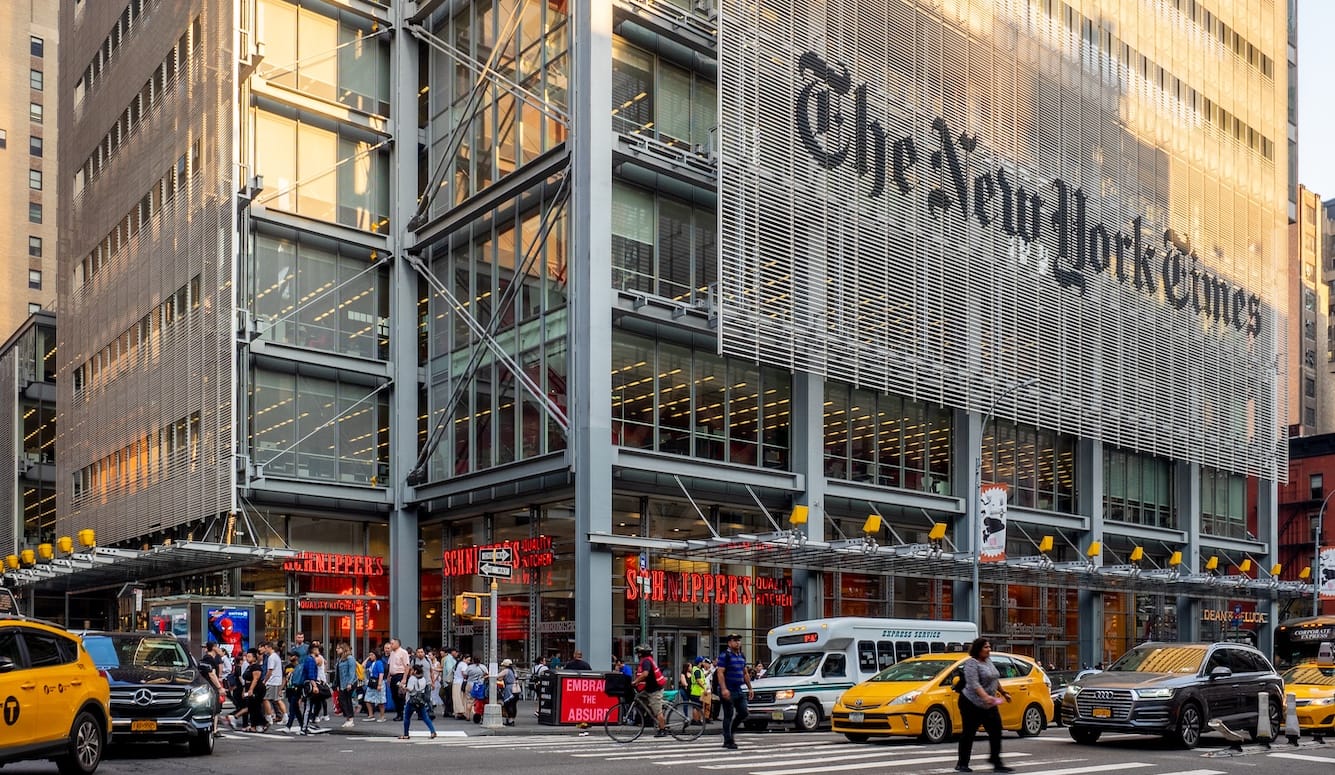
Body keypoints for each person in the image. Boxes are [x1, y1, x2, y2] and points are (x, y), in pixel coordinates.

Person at [955, 637, 1013, 774]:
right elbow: (974, 684)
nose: (989, 650)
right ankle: (962, 763)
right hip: (970, 703)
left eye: (989, 647)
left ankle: (996, 761)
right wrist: (985, 697)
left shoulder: (988, 661)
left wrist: (1004, 693)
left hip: (989, 704)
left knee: (996, 731)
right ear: (978, 649)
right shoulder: (971, 663)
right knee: (968, 733)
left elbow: (994, 678)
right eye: (986, 647)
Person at [716, 633, 752, 750]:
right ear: (729, 643)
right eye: (735, 640)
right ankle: (728, 740)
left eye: (739, 640)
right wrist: (724, 688)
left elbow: (745, 672)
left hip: (738, 689)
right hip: (728, 689)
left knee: (744, 712)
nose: (737, 642)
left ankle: (731, 731)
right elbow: (720, 673)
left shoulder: (741, 656)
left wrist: (750, 687)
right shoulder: (725, 655)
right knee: (728, 714)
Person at [632, 644, 668, 737]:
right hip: (648, 689)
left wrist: (635, 682)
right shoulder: (648, 660)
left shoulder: (646, 662)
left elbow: (645, 674)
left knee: (657, 711)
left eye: (639, 653)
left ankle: (663, 729)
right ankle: (645, 719)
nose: (638, 654)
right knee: (639, 698)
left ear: (641, 653)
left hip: (655, 690)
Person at [398, 664, 438, 739]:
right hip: (421, 700)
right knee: (425, 717)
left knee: (407, 717)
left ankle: (406, 734)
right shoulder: (423, 679)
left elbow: (410, 689)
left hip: (412, 700)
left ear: (415, 671)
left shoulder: (412, 678)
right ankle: (433, 731)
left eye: (412, 670)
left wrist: (402, 687)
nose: (411, 671)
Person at [335, 644, 359, 728]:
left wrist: (350, 683)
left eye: (338, 648)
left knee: (347, 700)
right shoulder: (340, 659)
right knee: (342, 700)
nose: (336, 650)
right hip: (342, 683)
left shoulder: (350, 658)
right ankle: (348, 718)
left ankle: (350, 718)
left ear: (343, 649)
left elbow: (352, 671)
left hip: (349, 682)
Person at [387, 639, 411, 721]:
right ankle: (398, 713)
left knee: (400, 695)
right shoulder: (392, 653)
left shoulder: (403, 652)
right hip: (393, 676)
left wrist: (404, 678)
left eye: (392, 643)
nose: (391, 645)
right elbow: (390, 665)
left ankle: (401, 714)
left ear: (397, 644)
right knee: (394, 695)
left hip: (400, 675)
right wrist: (388, 676)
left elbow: (407, 666)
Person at [362, 650, 387, 722]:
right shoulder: (371, 663)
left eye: (372, 655)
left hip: (378, 681)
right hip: (372, 682)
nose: (370, 656)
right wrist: (368, 658)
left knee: (380, 700)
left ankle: (382, 716)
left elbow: (381, 673)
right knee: (367, 699)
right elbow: (363, 665)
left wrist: (379, 685)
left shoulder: (379, 663)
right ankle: (370, 715)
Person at [497, 658, 520, 726]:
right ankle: (512, 719)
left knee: (508, 705)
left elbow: (497, 676)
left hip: (509, 689)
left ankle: (509, 720)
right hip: (516, 688)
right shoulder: (514, 671)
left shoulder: (506, 671)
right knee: (513, 705)